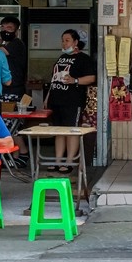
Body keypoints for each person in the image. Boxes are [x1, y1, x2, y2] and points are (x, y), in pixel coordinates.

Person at [44, 29, 96, 174]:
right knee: (58, 131)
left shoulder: (84, 59)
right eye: (63, 40)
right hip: (56, 99)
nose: (64, 43)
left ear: (75, 42)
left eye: (67, 40)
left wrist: (75, 80)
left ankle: (69, 162)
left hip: (72, 100)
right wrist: (48, 96)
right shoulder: (61, 57)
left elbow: (91, 78)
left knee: (71, 130)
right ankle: (58, 160)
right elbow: (54, 79)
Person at [0, 16, 28, 99]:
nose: (5, 30)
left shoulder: (17, 43)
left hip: (14, 88)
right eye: (3, 27)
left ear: (16, 31)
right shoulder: (4, 45)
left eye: (9, 28)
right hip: (5, 87)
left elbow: (2, 51)